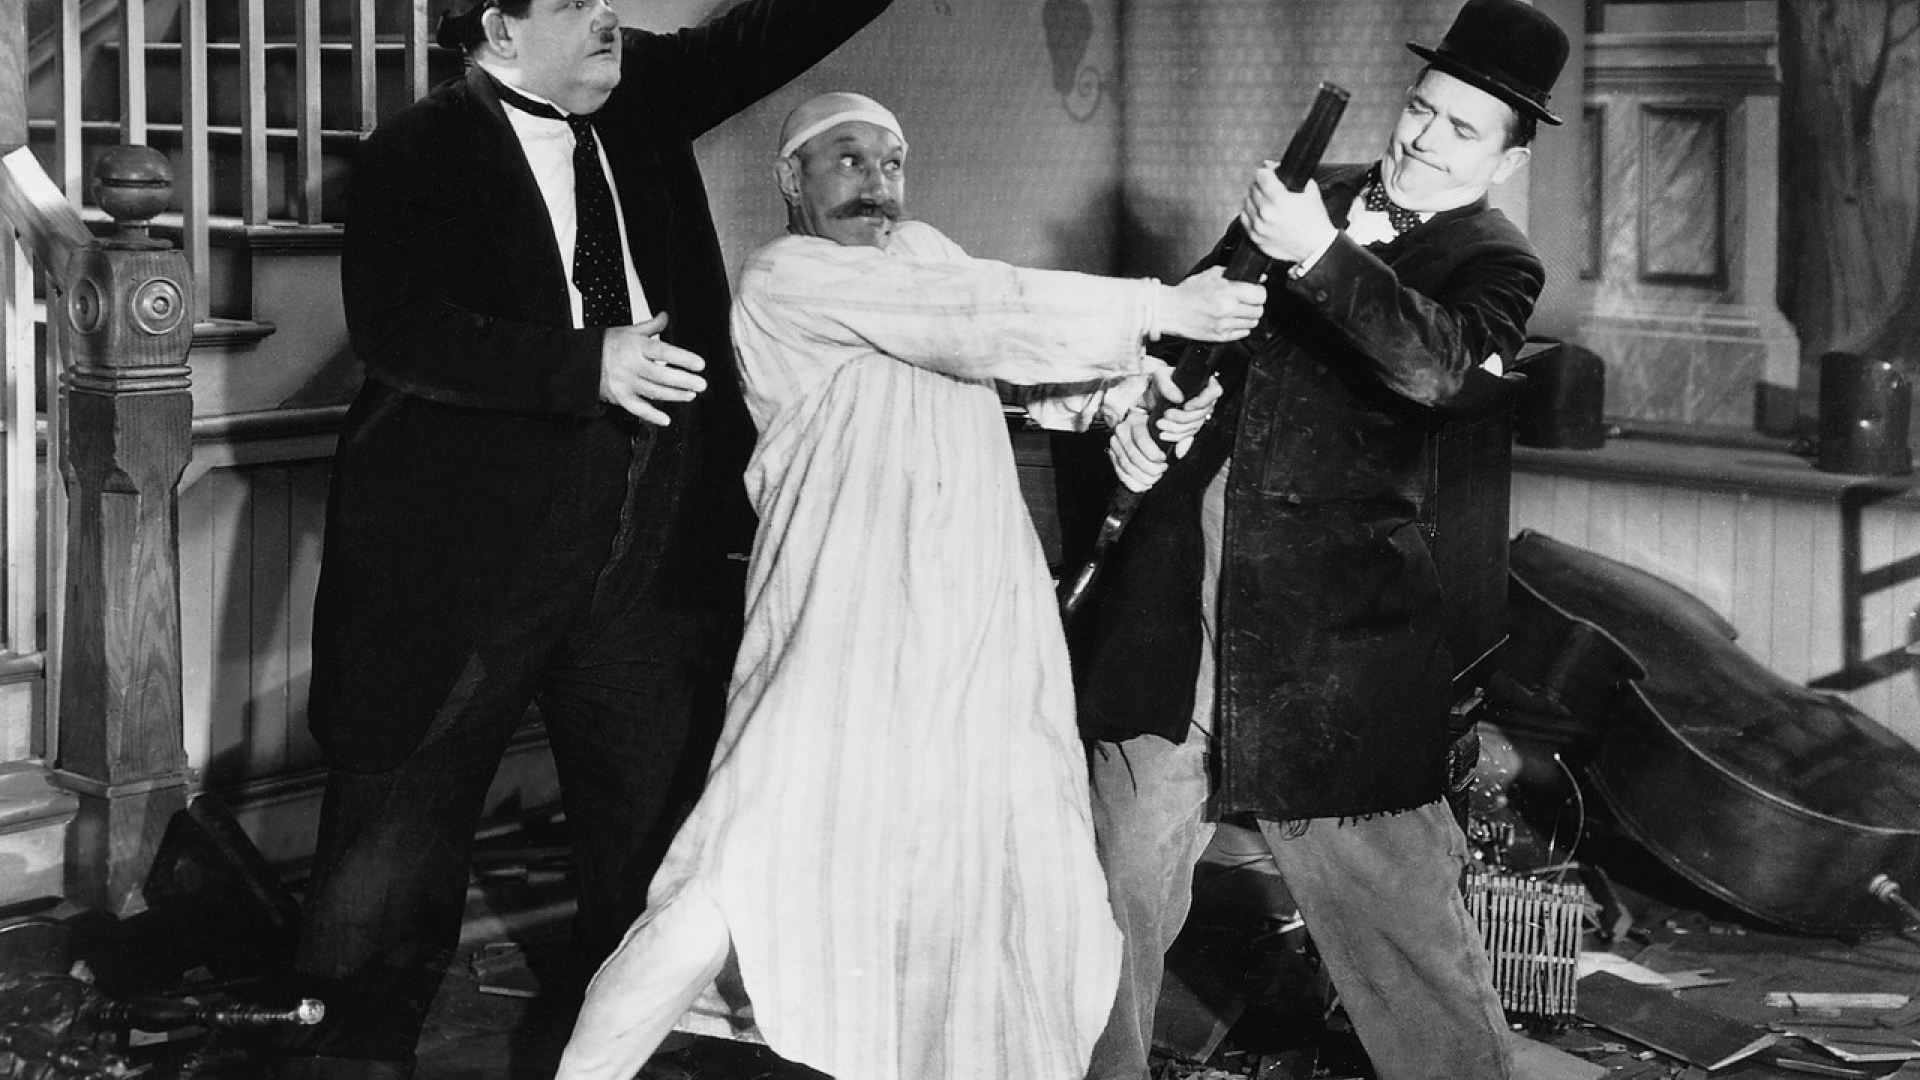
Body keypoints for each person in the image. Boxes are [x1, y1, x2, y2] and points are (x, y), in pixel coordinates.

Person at [551, 92, 1263, 1080]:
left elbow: (1020, 370)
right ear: (790, 178)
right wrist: (1156, 309)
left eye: (892, 163)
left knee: (991, 899)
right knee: (721, 879)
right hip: (837, 650)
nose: (877, 183)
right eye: (848, 159)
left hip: (973, 647)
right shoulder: (784, 277)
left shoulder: (924, 257)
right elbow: (971, 319)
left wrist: (1136, 400)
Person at [279, 2, 892, 1077]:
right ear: (500, 29)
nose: (608, 17)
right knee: (386, 876)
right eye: (574, 2)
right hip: (470, 562)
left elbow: (775, 31)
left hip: (647, 545)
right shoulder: (413, 152)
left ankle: (624, 1057)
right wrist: (585, 362)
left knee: (650, 859)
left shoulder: (641, 97)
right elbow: (398, 329)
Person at [1074, 2, 1571, 1078]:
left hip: (1331, 640)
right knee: (1110, 895)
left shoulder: (1495, 260)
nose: (1425, 138)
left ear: (1509, 160)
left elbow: (1442, 370)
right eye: (1423, 108)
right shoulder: (1316, 194)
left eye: (1464, 129)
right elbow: (1196, 329)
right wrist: (1148, 408)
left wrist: (1321, 254)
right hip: (1181, 593)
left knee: (1400, 929)